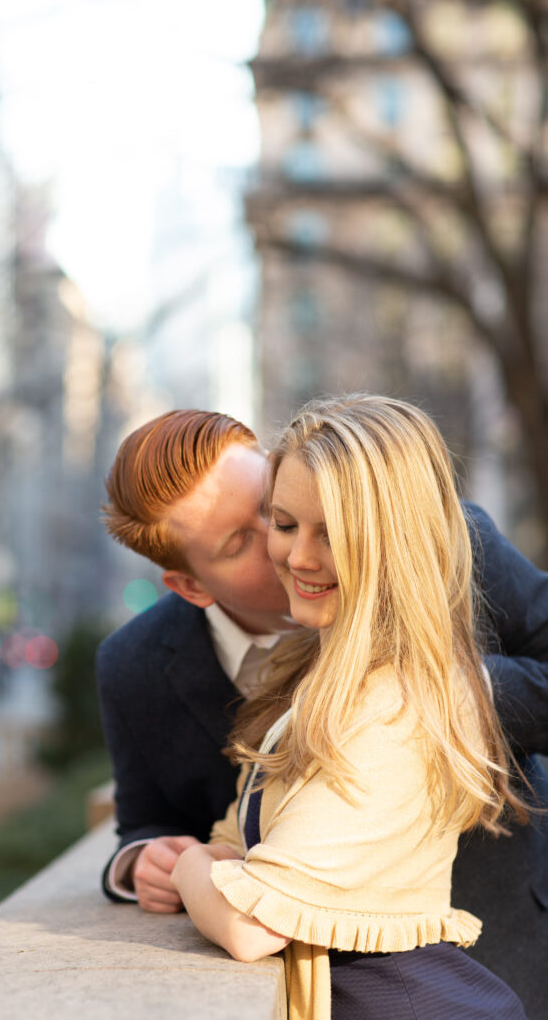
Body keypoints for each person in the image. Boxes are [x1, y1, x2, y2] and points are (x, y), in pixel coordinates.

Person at [97, 407, 548, 1016]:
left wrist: (442, 694)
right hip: (316, 978)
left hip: (503, 933)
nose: (291, 549)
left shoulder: (444, 533)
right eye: (250, 538)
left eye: (271, 505)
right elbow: (145, 823)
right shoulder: (135, 665)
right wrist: (145, 864)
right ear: (191, 587)